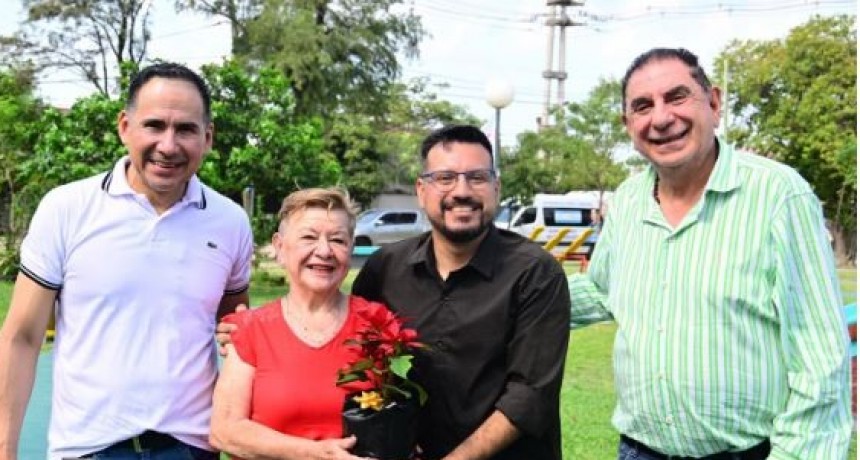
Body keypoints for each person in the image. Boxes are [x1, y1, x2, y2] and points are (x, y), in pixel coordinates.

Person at [568, 47, 852, 459]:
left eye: (677, 97)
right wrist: (507, 297)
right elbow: (602, 290)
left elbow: (820, 356)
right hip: (640, 451)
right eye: (643, 106)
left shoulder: (777, 195)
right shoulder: (628, 200)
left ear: (714, 103)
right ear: (628, 125)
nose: (661, 118)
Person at [0, 63, 253, 459]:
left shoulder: (230, 222)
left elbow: (239, 339)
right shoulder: (67, 208)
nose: (168, 145)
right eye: (154, 125)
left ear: (207, 138)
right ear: (124, 127)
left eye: (185, 129)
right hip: (87, 448)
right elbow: (22, 337)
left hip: (190, 448)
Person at [351, 125, 571, 460]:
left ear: (496, 188)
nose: (462, 191)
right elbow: (360, 362)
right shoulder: (384, 269)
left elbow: (530, 395)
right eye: (445, 178)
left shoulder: (536, 273)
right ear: (421, 190)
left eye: (478, 177)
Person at [209, 188, 377, 460]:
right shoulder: (250, 329)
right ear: (279, 247)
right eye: (308, 237)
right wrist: (315, 453)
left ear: (351, 249)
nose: (324, 251)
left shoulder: (377, 325)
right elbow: (224, 431)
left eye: (338, 240)